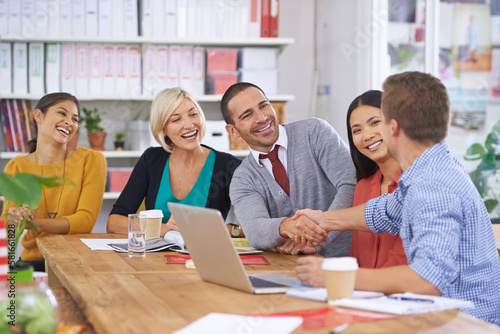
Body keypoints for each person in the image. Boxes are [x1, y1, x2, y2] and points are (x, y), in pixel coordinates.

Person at [293, 72, 500, 324]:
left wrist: (334, 276)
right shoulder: (429, 168)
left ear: (393, 127)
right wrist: (322, 219)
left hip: (461, 325)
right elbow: (384, 212)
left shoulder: (432, 186)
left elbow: (427, 281)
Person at [220, 82, 356, 257]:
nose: (262, 118)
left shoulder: (314, 132)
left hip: (349, 264)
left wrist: (320, 238)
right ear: (232, 130)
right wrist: (286, 227)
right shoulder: (243, 178)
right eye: (247, 115)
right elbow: (254, 229)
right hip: (293, 272)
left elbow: (351, 185)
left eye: (264, 105)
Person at [295, 90, 407, 287]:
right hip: (363, 297)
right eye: (357, 130)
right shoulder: (363, 188)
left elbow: (404, 264)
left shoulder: (417, 185)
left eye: (374, 123)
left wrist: (334, 276)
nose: (367, 135)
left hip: (400, 301)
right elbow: (356, 258)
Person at [107, 88, 241, 236]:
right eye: (176, 119)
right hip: (155, 256)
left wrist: (221, 229)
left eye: (193, 114)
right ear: (163, 129)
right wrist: (163, 229)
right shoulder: (152, 160)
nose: (189, 124)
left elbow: (257, 225)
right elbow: (114, 222)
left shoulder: (228, 166)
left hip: (204, 255)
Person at [3, 92, 107, 272]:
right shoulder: (17, 166)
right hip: (32, 262)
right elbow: (7, 227)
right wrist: (17, 219)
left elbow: (85, 220)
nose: (70, 122)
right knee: (14, 298)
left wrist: (37, 222)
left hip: (76, 262)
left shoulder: (91, 160)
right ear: (38, 116)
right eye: (62, 113)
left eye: (75, 119)